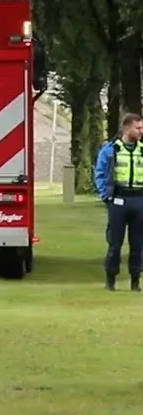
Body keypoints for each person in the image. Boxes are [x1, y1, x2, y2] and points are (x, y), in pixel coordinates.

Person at [93, 112, 143, 291]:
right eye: (138, 128)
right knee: (115, 243)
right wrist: (106, 196)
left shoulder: (142, 149)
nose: (141, 131)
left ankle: (135, 281)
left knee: (138, 244)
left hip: (139, 200)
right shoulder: (111, 150)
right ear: (127, 128)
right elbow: (99, 173)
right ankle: (110, 280)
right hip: (118, 200)